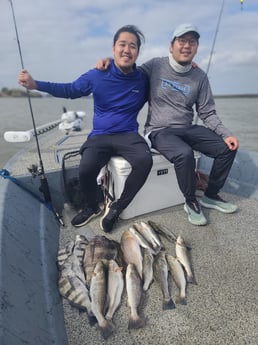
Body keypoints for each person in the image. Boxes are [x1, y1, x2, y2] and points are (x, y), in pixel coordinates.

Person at [96, 23, 239, 226]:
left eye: (192, 42)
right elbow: (128, 70)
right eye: (181, 41)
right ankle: (190, 201)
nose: (186, 46)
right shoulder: (155, 65)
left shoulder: (200, 76)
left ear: (196, 48)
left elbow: (207, 112)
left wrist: (226, 134)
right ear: (171, 46)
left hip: (186, 128)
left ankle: (211, 196)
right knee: (184, 153)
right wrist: (110, 62)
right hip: (159, 131)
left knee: (227, 148)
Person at [18, 25, 153, 232]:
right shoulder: (98, 74)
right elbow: (70, 90)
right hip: (100, 135)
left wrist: (187, 67)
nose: (127, 50)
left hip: (128, 134)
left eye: (132, 46)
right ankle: (92, 207)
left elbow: (167, 77)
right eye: (122, 44)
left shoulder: (143, 78)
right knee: (86, 168)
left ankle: (117, 207)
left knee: (145, 160)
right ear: (113, 47)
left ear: (138, 52)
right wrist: (36, 85)